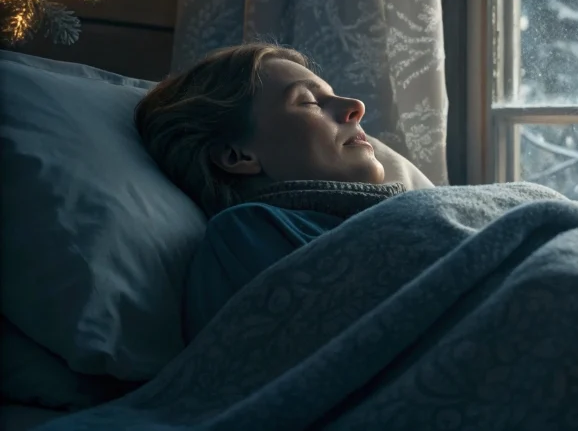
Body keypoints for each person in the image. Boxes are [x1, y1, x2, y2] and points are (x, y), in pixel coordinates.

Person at [135, 43, 431, 342]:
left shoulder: (403, 211)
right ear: (237, 155)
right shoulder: (248, 233)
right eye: (309, 102)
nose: (355, 106)